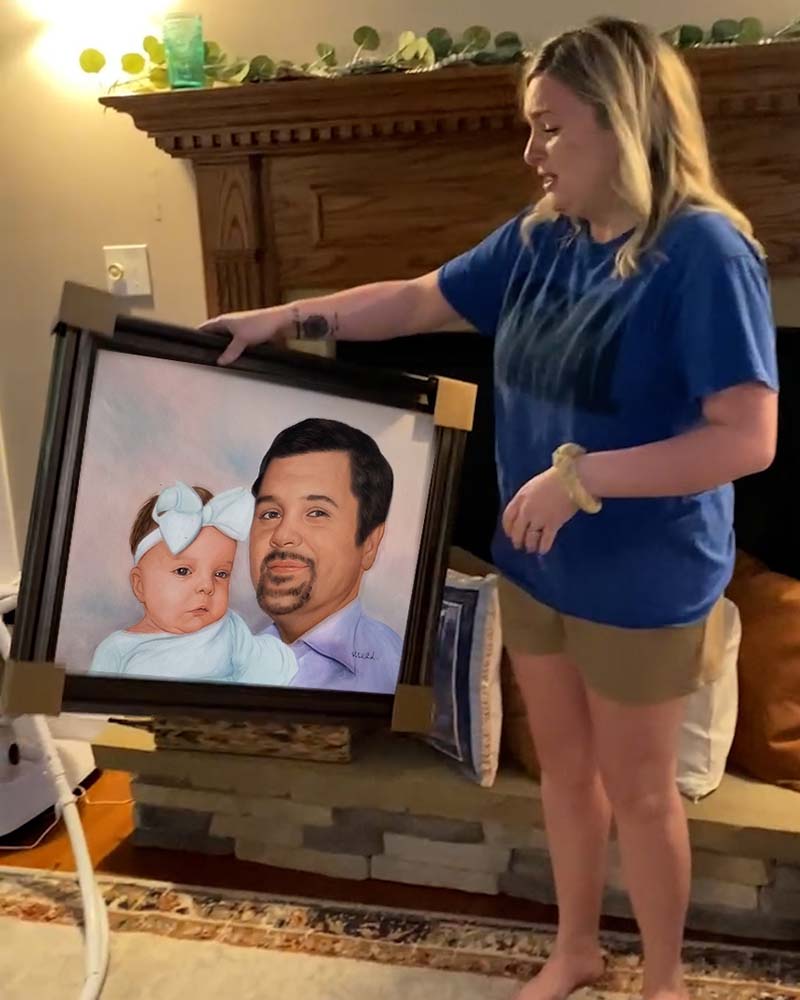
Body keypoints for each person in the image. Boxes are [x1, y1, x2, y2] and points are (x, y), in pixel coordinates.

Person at [199, 18, 778, 1000]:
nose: (529, 151)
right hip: (539, 563)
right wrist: (284, 318)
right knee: (563, 774)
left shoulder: (702, 251)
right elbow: (419, 297)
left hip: (644, 575)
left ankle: (665, 979)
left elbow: (744, 437)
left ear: (620, 120)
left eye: (548, 128)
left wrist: (580, 477)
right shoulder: (540, 238)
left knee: (641, 792)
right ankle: (577, 949)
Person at [248, 418, 402, 694]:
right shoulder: (224, 662)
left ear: (369, 543)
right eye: (270, 513)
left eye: (316, 513)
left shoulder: (398, 673)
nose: (282, 535)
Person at [90, 481, 297, 687]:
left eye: (221, 573)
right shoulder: (118, 650)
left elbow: (269, 669)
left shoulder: (229, 629)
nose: (207, 586)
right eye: (183, 571)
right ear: (140, 585)